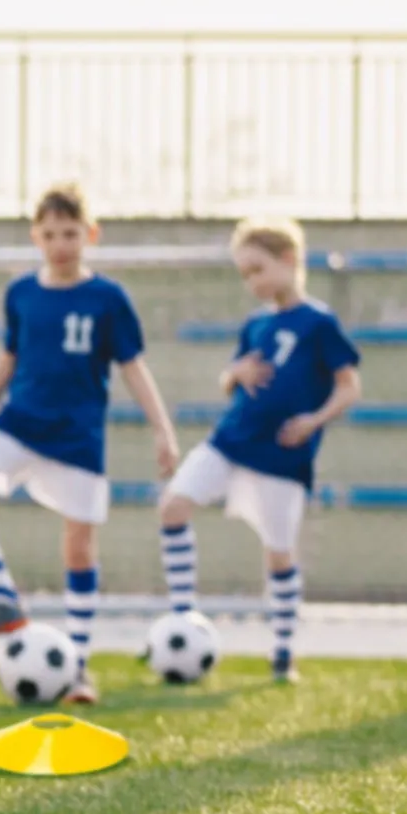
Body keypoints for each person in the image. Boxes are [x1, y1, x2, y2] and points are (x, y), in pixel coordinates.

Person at [0, 181, 179, 705]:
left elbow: (133, 367)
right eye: (49, 234)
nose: (60, 243)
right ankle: (3, 594)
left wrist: (163, 429)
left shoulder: (107, 299)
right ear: (35, 237)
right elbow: (8, 358)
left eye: (70, 233)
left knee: (78, 546)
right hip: (20, 420)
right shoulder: (21, 293)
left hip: (77, 437)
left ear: (90, 234)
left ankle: (79, 667)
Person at [157, 216, 361, 683]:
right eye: (244, 274)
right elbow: (233, 377)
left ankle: (283, 654)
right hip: (230, 441)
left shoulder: (319, 324)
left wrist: (313, 420)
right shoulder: (256, 324)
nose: (251, 282)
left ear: (288, 261)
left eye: (257, 270)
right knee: (173, 506)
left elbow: (349, 387)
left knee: (278, 554)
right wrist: (235, 375)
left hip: (281, 457)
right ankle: (184, 623)